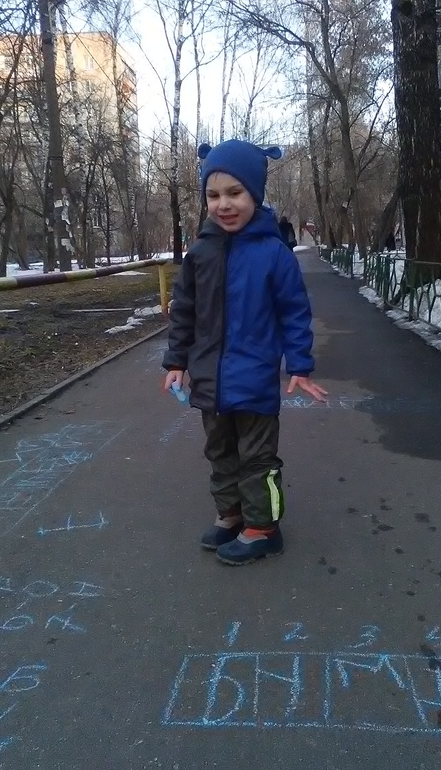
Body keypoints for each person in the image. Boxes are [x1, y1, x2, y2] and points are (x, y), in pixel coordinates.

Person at [162, 139, 327, 566]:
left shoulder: (274, 254)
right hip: (209, 380)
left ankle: (263, 529)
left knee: (257, 459)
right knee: (220, 453)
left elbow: (294, 312)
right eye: (213, 195)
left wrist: (300, 364)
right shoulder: (200, 252)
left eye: (235, 193)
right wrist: (176, 361)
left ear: (254, 194)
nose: (224, 205)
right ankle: (231, 514)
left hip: (254, 379)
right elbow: (184, 310)